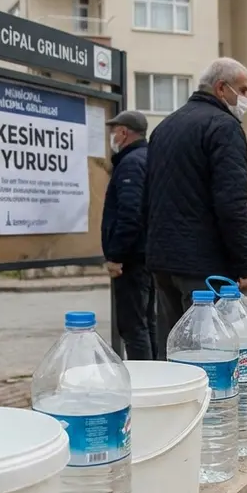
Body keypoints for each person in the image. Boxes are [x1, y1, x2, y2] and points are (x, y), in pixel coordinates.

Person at [144, 57, 247, 359]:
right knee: (209, 355)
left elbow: (150, 194)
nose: (246, 98)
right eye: (243, 90)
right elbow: (232, 202)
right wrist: (246, 267)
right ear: (222, 88)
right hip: (204, 265)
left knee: (172, 351)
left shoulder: (164, 127)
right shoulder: (224, 127)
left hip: (164, 260)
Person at [102, 110, 156, 360]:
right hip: (148, 255)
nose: (111, 136)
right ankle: (156, 373)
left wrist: (116, 256)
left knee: (134, 327)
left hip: (132, 260)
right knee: (148, 322)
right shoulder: (150, 158)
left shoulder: (131, 163)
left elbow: (129, 214)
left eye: (114, 131)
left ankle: (143, 381)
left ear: (123, 133)